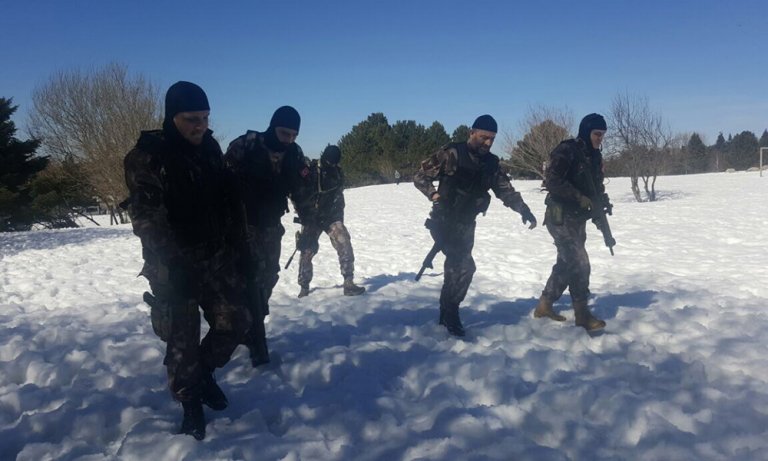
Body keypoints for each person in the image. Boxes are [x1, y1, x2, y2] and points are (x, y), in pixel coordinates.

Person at [123, 81, 251, 440]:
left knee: (238, 320)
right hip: (172, 264)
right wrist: (173, 266)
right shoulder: (147, 156)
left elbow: (227, 200)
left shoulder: (209, 148)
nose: (201, 126)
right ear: (171, 117)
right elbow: (146, 219)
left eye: (206, 118)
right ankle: (190, 402)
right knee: (183, 342)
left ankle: (205, 372)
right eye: (191, 118)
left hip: (214, 255)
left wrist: (241, 246)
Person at [413, 114, 537, 337]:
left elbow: (505, 190)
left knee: (456, 269)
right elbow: (420, 177)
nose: (488, 143)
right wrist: (434, 195)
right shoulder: (451, 153)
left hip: (467, 222)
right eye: (483, 137)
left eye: (492, 139)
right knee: (463, 267)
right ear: (471, 133)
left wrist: (524, 210)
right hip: (443, 220)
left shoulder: (491, 163)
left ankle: (446, 311)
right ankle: (450, 313)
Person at [224, 106, 313, 366]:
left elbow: (302, 191)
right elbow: (220, 186)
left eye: (294, 135)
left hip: (271, 227)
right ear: (273, 126)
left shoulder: (294, 154)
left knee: (268, 276)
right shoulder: (245, 146)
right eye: (284, 133)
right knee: (242, 280)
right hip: (240, 227)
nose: (289, 140)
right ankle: (242, 327)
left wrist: (309, 222)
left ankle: (254, 323)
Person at [533, 113, 610, 331]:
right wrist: (579, 197)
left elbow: (595, 186)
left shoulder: (595, 156)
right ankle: (582, 313)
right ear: (586, 132)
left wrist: (600, 205)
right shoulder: (566, 150)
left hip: (578, 218)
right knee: (579, 262)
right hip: (560, 216)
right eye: (596, 134)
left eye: (603, 135)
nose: (600, 139)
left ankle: (545, 304)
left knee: (566, 263)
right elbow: (553, 181)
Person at [293, 145, 365, 298]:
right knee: (306, 250)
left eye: (335, 162)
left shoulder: (337, 173)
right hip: (312, 217)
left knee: (344, 241)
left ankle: (348, 282)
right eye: (330, 162)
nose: (332, 165)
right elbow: (298, 195)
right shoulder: (311, 171)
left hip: (330, 217)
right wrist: (306, 215)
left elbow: (339, 197)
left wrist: (337, 218)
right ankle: (304, 286)